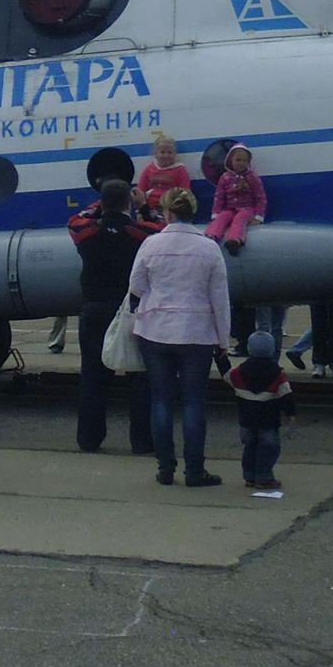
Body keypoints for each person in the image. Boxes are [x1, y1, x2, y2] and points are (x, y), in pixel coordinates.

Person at [127, 187, 229, 487]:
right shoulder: (209, 248)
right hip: (196, 332)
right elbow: (220, 301)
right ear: (192, 211)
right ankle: (195, 471)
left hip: (156, 330)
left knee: (161, 400)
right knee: (194, 402)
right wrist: (223, 343)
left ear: (167, 213)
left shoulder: (150, 244)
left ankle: (165, 468)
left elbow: (136, 286)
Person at [69, 178, 158, 454]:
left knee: (93, 375)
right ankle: (142, 441)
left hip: (94, 308)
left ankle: (89, 438)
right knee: (140, 375)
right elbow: (160, 230)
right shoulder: (139, 232)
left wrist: (99, 204)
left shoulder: (86, 233)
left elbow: (75, 221)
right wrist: (143, 207)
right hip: (132, 310)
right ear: (127, 203)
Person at [228, 329, 295, 493]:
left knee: (249, 447)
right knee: (269, 448)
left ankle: (249, 475)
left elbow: (228, 376)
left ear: (249, 349)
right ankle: (264, 477)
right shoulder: (278, 374)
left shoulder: (238, 373)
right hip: (268, 421)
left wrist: (220, 356)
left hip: (246, 420)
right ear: (272, 350)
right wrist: (290, 413)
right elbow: (286, 395)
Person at [206, 143, 267, 255]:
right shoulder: (225, 177)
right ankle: (211, 236)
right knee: (221, 218)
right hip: (229, 208)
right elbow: (219, 197)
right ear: (231, 161)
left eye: (244, 161)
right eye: (238, 160)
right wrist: (215, 214)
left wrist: (259, 217)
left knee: (239, 220)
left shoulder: (252, 177)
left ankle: (235, 240)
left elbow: (260, 197)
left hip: (246, 209)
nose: (241, 163)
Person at [136, 130, 192, 213]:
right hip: (149, 208)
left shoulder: (180, 170)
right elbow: (140, 190)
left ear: (175, 154)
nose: (166, 155)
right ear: (155, 153)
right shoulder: (149, 169)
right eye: (162, 152)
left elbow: (185, 192)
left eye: (170, 152)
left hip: (170, 208)